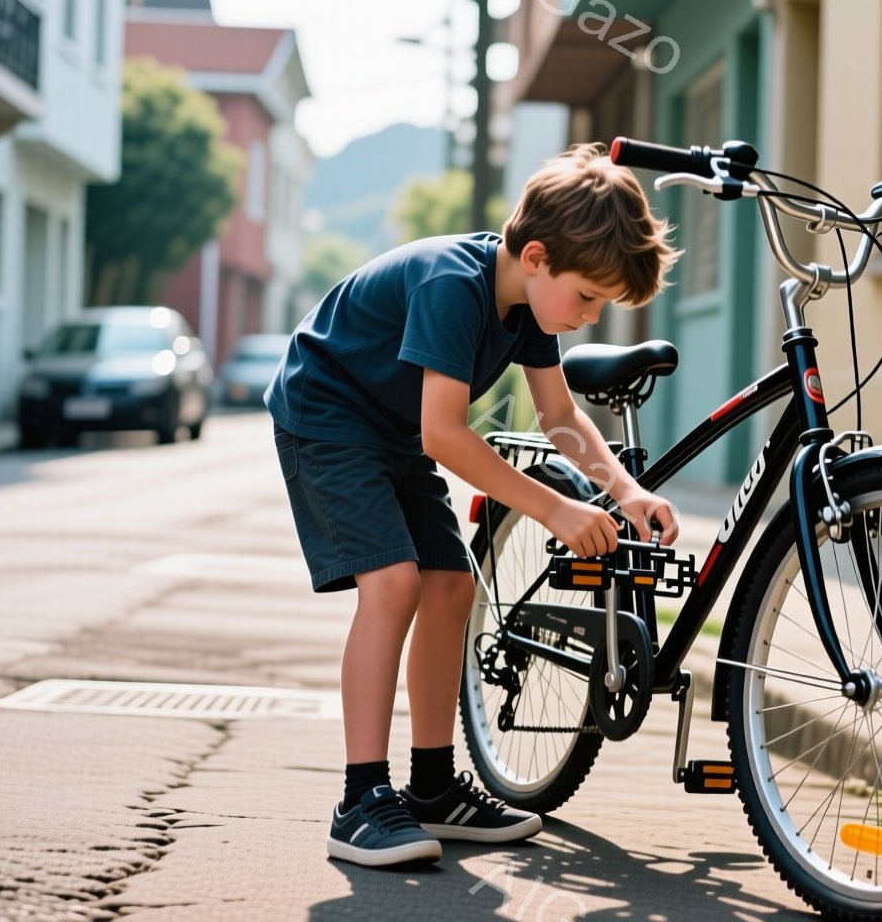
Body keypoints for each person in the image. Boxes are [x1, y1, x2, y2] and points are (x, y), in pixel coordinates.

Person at [266, 143, 682, 867]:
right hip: (327, 414)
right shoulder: (452, 287)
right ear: (537, 256)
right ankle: (360, 798)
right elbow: (446, 433)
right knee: (393, 582)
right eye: (587, 297)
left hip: (390, 431)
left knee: (453, 584)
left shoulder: (529, 309)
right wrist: (555, 510)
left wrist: (627, 491)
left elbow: (560, 418)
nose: (589, 317)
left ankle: (432, 787)